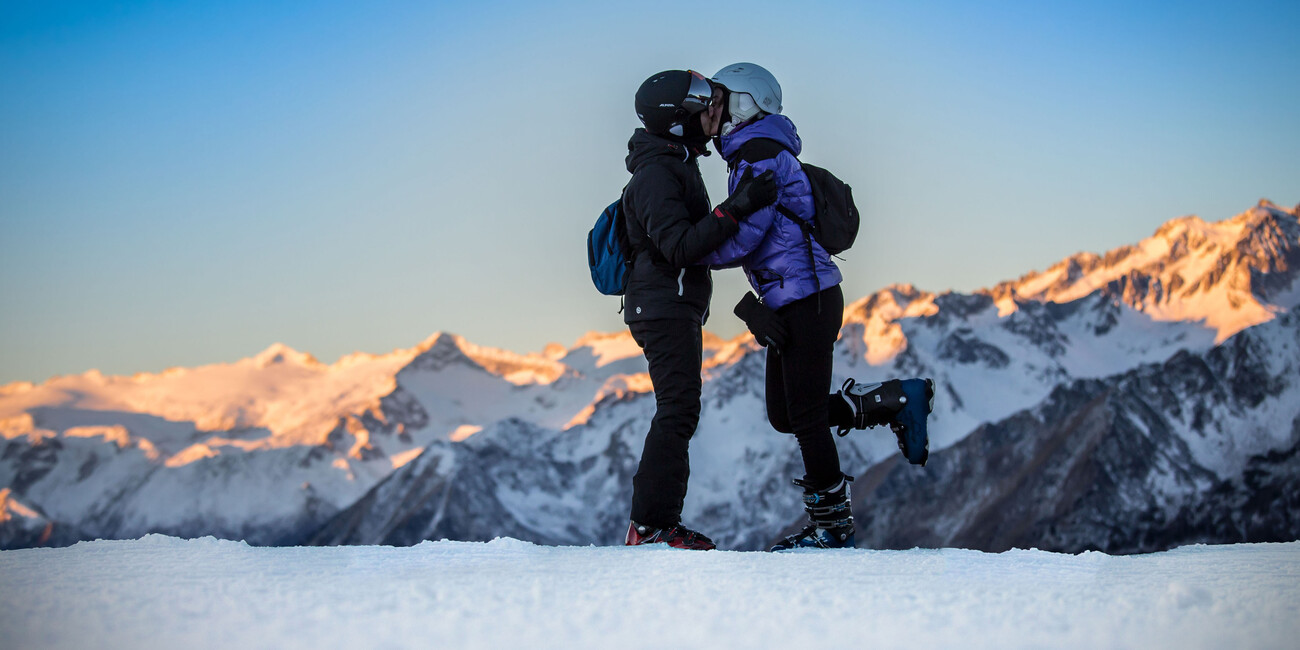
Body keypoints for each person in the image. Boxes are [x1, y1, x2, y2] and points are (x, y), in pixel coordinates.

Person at [700, 63, 935, 550]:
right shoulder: (751, 155)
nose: (713, 109)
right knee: (785, 414)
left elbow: (744, 238)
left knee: (805, 417)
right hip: (793, 298)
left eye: (720, 99)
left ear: (745, 103)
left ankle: (833, 529)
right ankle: (893, 400)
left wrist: (686, 248)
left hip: (807, 300)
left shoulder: (760, 156)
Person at [620, 70, 780, 550]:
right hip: (662, 307)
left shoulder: (675, 163)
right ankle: (651, 526)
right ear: (677, 120)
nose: (715, 109)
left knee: (679, 408)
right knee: (677, 409)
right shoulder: (656, 175)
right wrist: (738, 207)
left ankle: (653, 525)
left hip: (670, 304)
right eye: (703, 103)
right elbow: (679, 247)